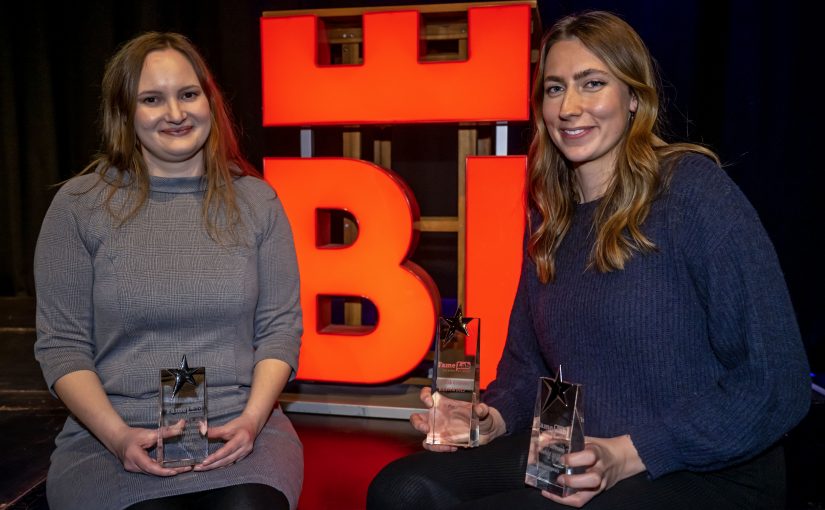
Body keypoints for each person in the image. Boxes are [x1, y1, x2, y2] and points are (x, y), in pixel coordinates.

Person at [367, 10, 810, 510]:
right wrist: (490, 418)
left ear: (634, 98)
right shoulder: (548, 214)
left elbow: (778, 383)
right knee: (401, 490)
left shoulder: (694, 192)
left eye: (592, 83)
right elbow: (525, 366)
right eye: (554, 89)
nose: (569, 107)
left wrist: (629, 452)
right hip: (577, 453)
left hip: (702, 468)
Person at [34, 32, 303, 510]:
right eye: (152, 99)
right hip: (111, 439)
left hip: (241, 434)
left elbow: (279, 329)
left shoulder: (258, 202)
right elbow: (62, 346)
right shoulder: (78, 207)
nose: (175, 114)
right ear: (125, 113)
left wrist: (252, 421)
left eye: (188, 94)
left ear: (209, 100)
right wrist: (119, 437)